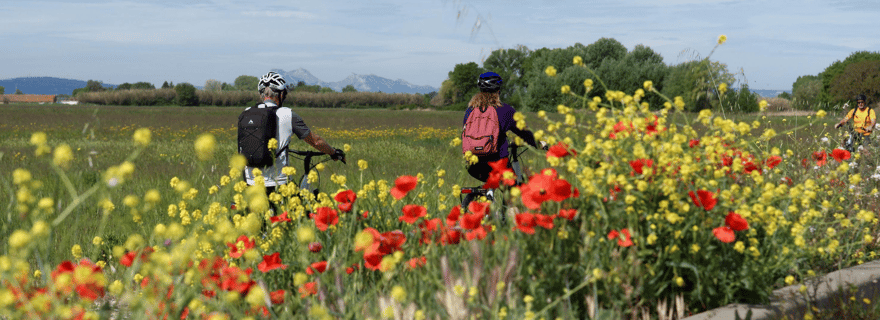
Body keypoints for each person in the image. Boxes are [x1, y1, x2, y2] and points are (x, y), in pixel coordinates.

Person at [243, 71, 345, 198]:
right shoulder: (287, 114)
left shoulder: (246, 113)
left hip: (250, 182)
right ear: (280, 95)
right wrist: (333, 152)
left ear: (261, 94)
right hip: (278, 182)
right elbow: (316, 141)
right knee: (301, 207)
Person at [462, 72, 541, 185]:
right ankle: (508, 202)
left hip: (473, 166)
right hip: (497, 164)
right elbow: (525, 133)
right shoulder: (505, 110)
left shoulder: (470, 111)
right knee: (515, 188)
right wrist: (540, 144)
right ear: (498, 90)